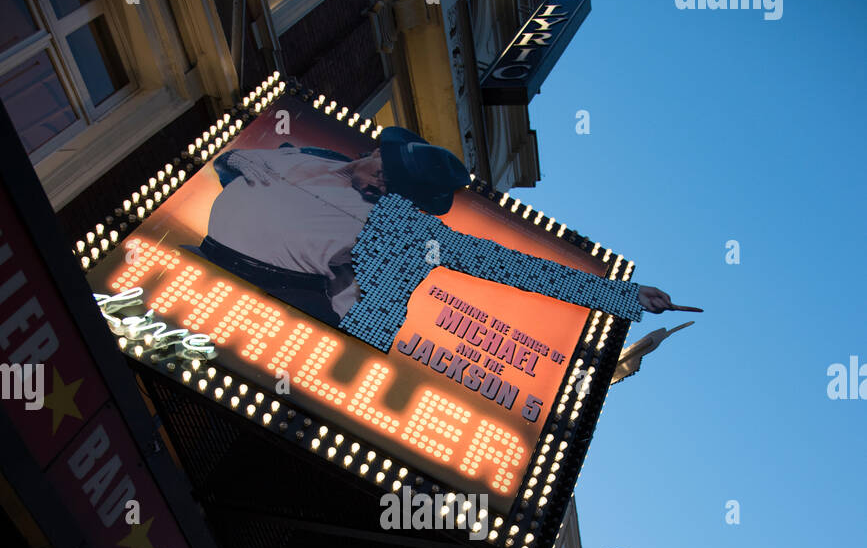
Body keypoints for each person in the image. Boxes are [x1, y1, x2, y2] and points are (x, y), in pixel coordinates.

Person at [183, 127, 701, 353]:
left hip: (285, 306)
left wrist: (623, 295)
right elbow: (228, 163)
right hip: (206, 261)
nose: (382, 189)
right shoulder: (308, 155)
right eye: (386, 177)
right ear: (380, 153)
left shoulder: (402, 226)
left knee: (388, 270)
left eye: (397, 193)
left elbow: (512, 266)